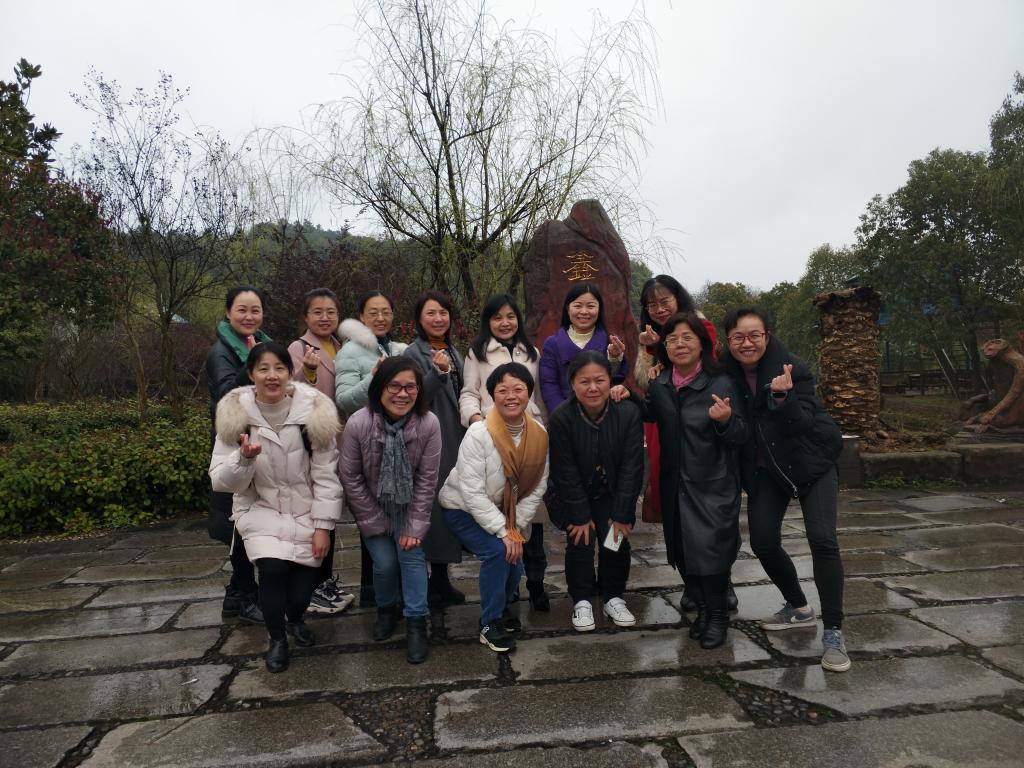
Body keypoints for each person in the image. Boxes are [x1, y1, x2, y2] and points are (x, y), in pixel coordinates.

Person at [721, 307, 849, 672]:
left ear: (767, 335)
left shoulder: (792, 368)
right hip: (767, 470)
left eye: (754, 335)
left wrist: (782, 398)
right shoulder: (724, 373)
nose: (747, 343)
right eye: (738, 337)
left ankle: (834, 632)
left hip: (812, 462)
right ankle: (798, 606)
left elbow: (804, 423)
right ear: (728, 341)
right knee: (763, 542)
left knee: (823, 540)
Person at [614, 311, 747, 649]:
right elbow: (651, 412)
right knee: (684, 553)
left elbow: (743, 435)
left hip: (713, 483)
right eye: (672, 339)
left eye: (687, 337)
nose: (679, 344)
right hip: (675, 482)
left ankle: (717, 615)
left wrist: (726, 421)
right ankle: (703, 610)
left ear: (702, 344)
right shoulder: (661, 383)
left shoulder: (722, 382)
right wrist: (629, 395)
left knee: (711, 553)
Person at [209, 342, 343, 673]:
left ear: (290, 372)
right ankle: (277, 638)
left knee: (301, 592)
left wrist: (323, 526)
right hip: (260, 510)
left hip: (306, 512)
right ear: (251, 374)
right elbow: (221, 481)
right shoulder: (234, 417)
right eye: (263, 368)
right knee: (272, 571)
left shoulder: (315, 414)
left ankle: (294, 619)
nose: (272, 375)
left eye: (279, 368)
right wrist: (243, 459)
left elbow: (326, 476)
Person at [634, 275, 737, 613]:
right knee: (673, 499)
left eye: (665, 300)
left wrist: (658, 349)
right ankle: (692, 583)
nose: (659, 308)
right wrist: (648, 351)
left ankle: (720, 585)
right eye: (652, 304)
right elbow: (643, 381)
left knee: (706, 513)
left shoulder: (698, 325)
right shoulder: (647, 337)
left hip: (701, 419)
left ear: (678, 299)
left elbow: (706, 359)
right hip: (664, 421)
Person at [439, 363, 549, 652]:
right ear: (492, 395)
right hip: (461, 508)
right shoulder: (479, 433)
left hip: (506, 514)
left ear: (529, 393)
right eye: (502, 390)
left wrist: (514, 528)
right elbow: (471, 492)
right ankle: (489, 623)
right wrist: (504, 531)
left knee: (515, 555)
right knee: (499, 552)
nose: (511, 396)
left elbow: (537, 487)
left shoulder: (539, 434)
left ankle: (502, 607)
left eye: (518, 389)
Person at [339, 357, 441, 664]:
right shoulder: (358, 423)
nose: (402, 394)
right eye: (394, 386)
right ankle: (386, 609)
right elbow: (350, 477)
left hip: (411, 506)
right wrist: (374, 518)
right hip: (372, 505)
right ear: (379, 388)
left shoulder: (428, 424)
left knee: (412, 558)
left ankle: (416, 621)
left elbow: (427, 479)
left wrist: (414, 526)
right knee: (384, 565)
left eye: (410, 387)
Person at [460, 293, 550, 611]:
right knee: (502, 512)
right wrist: (476, 421)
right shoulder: (478, 353)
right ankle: (508, 590)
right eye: (497, 317)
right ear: (488, 321)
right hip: (492, 436)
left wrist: (542, 431)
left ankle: (536, 583)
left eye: (510, 316)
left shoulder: (532, 352)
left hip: (528, 436)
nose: (505, 322)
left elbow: (538, 397)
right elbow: (469, 393)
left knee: (531, 516)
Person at [548, 352, 644, 632]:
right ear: (572, 384)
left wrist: (623, 513)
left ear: (609, 380)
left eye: (599, 380)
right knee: (581, 540)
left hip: (612, 492)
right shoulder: (562, 418)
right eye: (584, 381)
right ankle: (582, 599)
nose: (593, 388)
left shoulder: (627, 413)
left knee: (615, 540)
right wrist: (579, 515)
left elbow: (632, 467)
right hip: (573, 492)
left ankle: (613, 596)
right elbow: (564, 471)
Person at [335, 290, 409, 608]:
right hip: (369, 444)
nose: (380, 318)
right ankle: (377, 596)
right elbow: (344, 400)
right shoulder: (350, 351)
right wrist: (374, 378)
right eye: (373, 312)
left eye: (386, 312)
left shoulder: (395, 348)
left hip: (400, 443)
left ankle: (391, 595)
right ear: (361, 317)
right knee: (373, 523)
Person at [205, 286, 271, 625]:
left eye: (255, 310)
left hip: (254, 441)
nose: (249, 316)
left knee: (245, 522)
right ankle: (246, 596)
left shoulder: (256, 345)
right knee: (239, 524)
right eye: (242, 310)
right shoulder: (223, 352)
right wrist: (253, 363)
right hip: (233, 444)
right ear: (228, 312)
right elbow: (226, 397)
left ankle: (235, 596)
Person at [286, 288, 354, 616]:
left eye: (331, 312)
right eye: (318, 312)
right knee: (317, 515)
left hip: (341, 441)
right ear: (306, 316)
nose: (325, 318)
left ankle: (323, 582)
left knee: (330, 511)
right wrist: (309, 372)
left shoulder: (342, 347)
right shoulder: (297, 348)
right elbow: (288, 392)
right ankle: (311, 586)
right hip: (313, 443)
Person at [404, 291, 468, 606]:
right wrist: (436, 373)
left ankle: (442, 578)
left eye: (443, 312)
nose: (438, 318)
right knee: (431, 507)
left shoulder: (454, 351)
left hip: (456, 437)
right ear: (419, 319)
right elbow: (412, 398)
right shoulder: (412, 354)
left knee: (449, 506)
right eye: (431, 313)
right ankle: (429, 581)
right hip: (430, 439)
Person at [539, 283, 629, 414]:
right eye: (577, 306)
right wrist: (562, 415)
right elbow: (549, 384)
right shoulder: (552, 344)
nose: (584, 311)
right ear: (568, 309)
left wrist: (615, 358)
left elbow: (615, 380)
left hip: (603, 415)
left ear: (599, 309)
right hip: (565, 416)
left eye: (591, 306)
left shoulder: (610, 342)